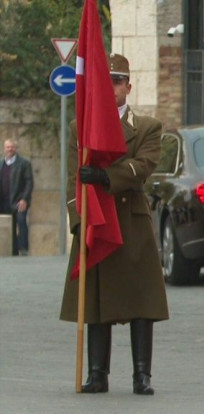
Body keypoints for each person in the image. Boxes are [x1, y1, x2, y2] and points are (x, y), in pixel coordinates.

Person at [59, 53, 169, 395]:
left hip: (130, 218)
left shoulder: (147, 126)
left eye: (118, 82)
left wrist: (107, 176)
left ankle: (141, 375)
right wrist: (78, 221)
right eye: (105, 83)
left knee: (141, 301)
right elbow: (71, 178)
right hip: (96, 219)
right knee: (96, 300)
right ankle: (97, 373)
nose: (112, 89)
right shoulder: (82, 127)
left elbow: (144, 165)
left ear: (128, 86)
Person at [0, 138, 33, 256]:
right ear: (4, 149)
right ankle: (13, 251)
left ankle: (23, 249)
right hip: (4, 201)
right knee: (10, 226)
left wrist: (24, 199)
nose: (10, 149)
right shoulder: (1, 164)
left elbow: (29, 182)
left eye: (12, 147)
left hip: (19, 201)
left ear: (16, 148)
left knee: (21, 222)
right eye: (7, 147)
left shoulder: (24, 164)